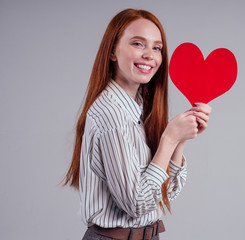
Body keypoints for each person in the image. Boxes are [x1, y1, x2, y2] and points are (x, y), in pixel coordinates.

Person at [63, 8, 211, 240]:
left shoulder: (142, 108)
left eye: (156, 47)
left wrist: (180, 140)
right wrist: (169, 138)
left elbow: (165, 193)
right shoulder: (110, 114)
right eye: (138, 44)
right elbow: (136, 204)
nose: (150, 55)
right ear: (113, 51)